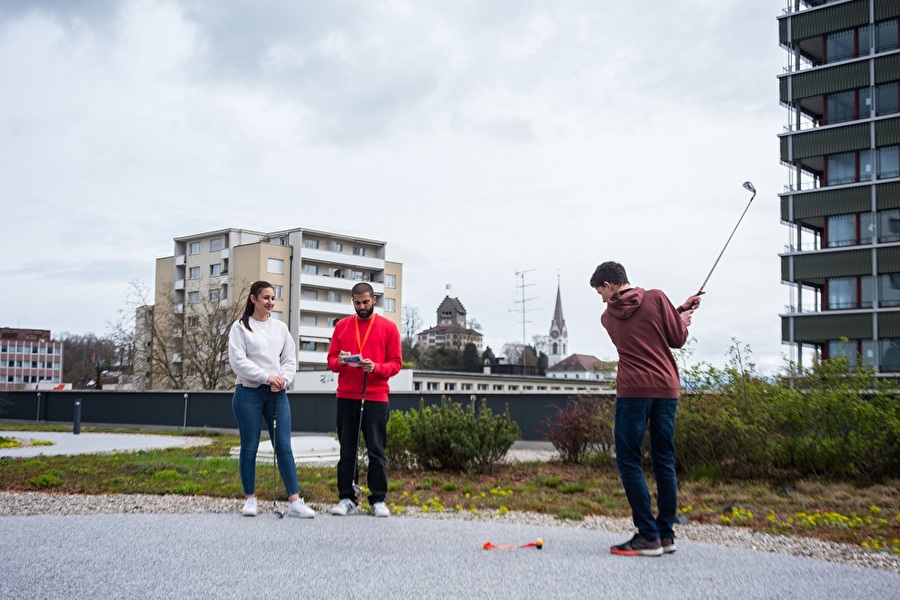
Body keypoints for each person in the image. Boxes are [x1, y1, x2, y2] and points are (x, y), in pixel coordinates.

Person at [589, 261, 700, 557]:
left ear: (609, 285)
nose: (601, 298)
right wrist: (682, 316)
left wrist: (678, 314)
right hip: (666, 389)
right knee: (664, 458)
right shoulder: (657, 297)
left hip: (633, 391)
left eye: (600, 291)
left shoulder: (608, 317)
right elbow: (675, 338)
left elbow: (642, 330)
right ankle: (665, 535)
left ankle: (647, 536)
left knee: (628, 459)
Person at [228, 280, 315, 519]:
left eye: (273, 298)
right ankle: (250, 500)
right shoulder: (240, 328)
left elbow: (289, 359)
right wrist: (267, 377)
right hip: (248, 393)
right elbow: (239, 362)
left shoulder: (280, 328)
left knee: (284, 446)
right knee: (249, 446)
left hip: (277, 394)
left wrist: (283, 379)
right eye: (265, 297)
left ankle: (295, 501)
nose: (270, 302)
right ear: (253, 299)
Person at [326, 282, 402, 518]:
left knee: (376, 451)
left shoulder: (389, 327)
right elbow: (331, 361)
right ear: (352, 302)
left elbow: (396, 364)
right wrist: (342, 361)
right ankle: (347, 498)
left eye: (365, 302)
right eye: (357, 303)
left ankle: (378, 499)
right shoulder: (342, 326)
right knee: (346, 451)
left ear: (374, 300)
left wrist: (375, 367)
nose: (361, 307)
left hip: (376, 397)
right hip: (347, 396)